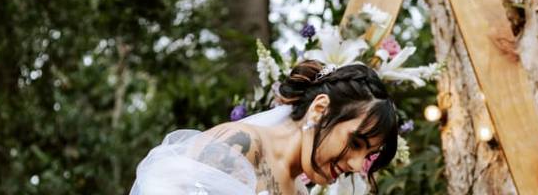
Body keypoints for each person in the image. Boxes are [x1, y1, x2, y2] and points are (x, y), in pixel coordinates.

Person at [129, 60, 399, 195]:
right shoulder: (238, 144)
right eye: (355, 143)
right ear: (319, 110)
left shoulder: (299, 191)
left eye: (367, 154)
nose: (356, 164)